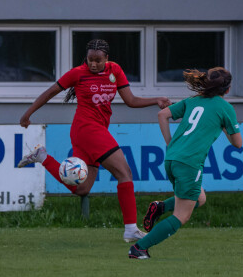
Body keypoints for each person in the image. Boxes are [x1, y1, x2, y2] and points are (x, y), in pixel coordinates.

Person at [18, 39, 171, 242]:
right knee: (124, 173)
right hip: (87, 129)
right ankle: (131, 229)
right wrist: (28, 114)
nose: (93, 64)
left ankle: (43, 157)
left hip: (88, 132)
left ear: (106, 58)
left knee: (82, 188)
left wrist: (155, 100)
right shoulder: (78, 73)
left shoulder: (115, 70)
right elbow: (50, 92)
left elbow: (131, 101)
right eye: (90, 60)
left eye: (98, 60)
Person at [128, 67, 242, 259]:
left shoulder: (192, 101)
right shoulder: (225, 108)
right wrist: (223, 125)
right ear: (228, 90)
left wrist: (169, 143)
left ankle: (160, 207)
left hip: (171, 159)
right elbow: (237, 143)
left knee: (200, 198)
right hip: (189, 164)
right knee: (182, 215)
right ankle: (139, 248)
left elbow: (162, 115)